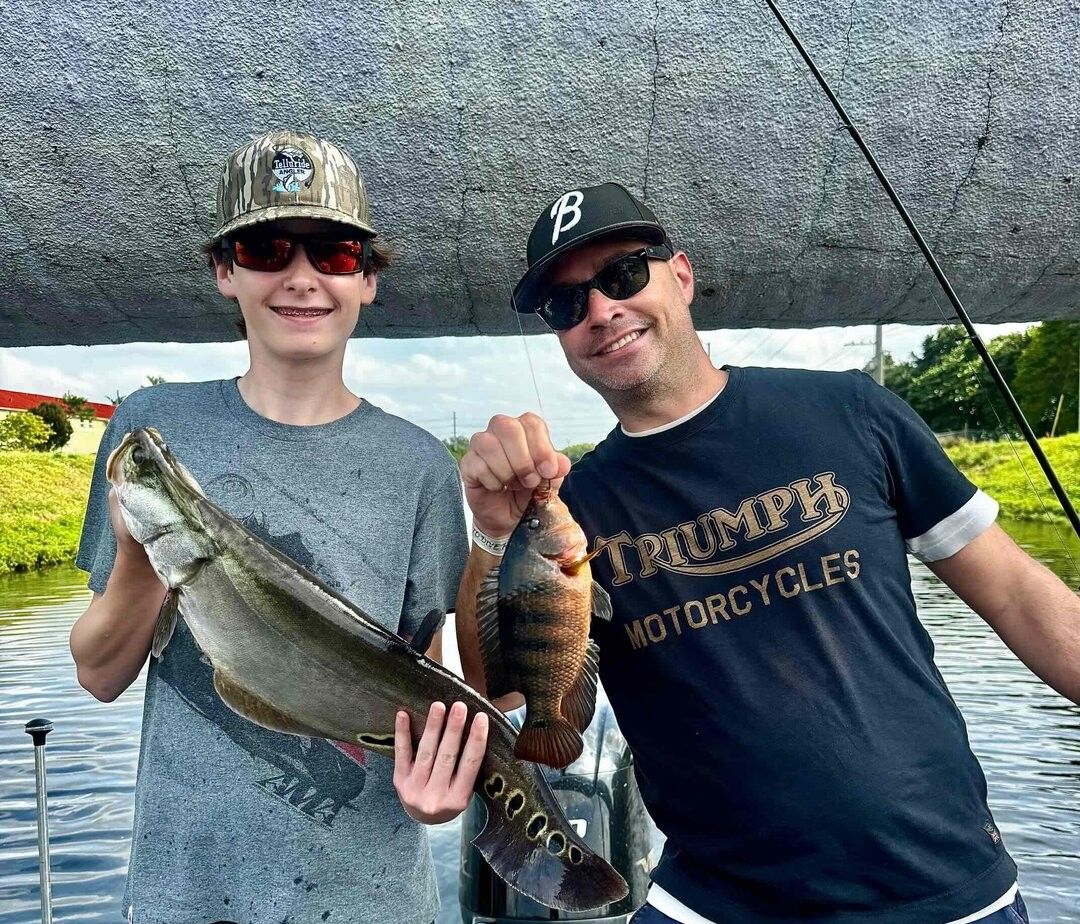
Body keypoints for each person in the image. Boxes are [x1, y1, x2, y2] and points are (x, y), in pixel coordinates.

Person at [393, 182, 1080, 923]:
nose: (600, 310)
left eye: (623, 275)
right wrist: (493, 534)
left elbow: (1014, 591)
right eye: (567, 304)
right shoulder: (570, 508)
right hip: (714, 903)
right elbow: (507, 694)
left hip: (951, 892)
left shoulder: (852, 411)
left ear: (680, 274)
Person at [70, 130, 469, 924]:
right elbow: (99, 674)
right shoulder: (150, 427)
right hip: (185, 895)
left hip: (372, 901)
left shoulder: (422, 466)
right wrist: (144, 559)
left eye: (336, 254)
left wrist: (440, 797)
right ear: (226, 271)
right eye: (267, 248)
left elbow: (421, 682)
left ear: (368, 281)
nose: (302, 278)